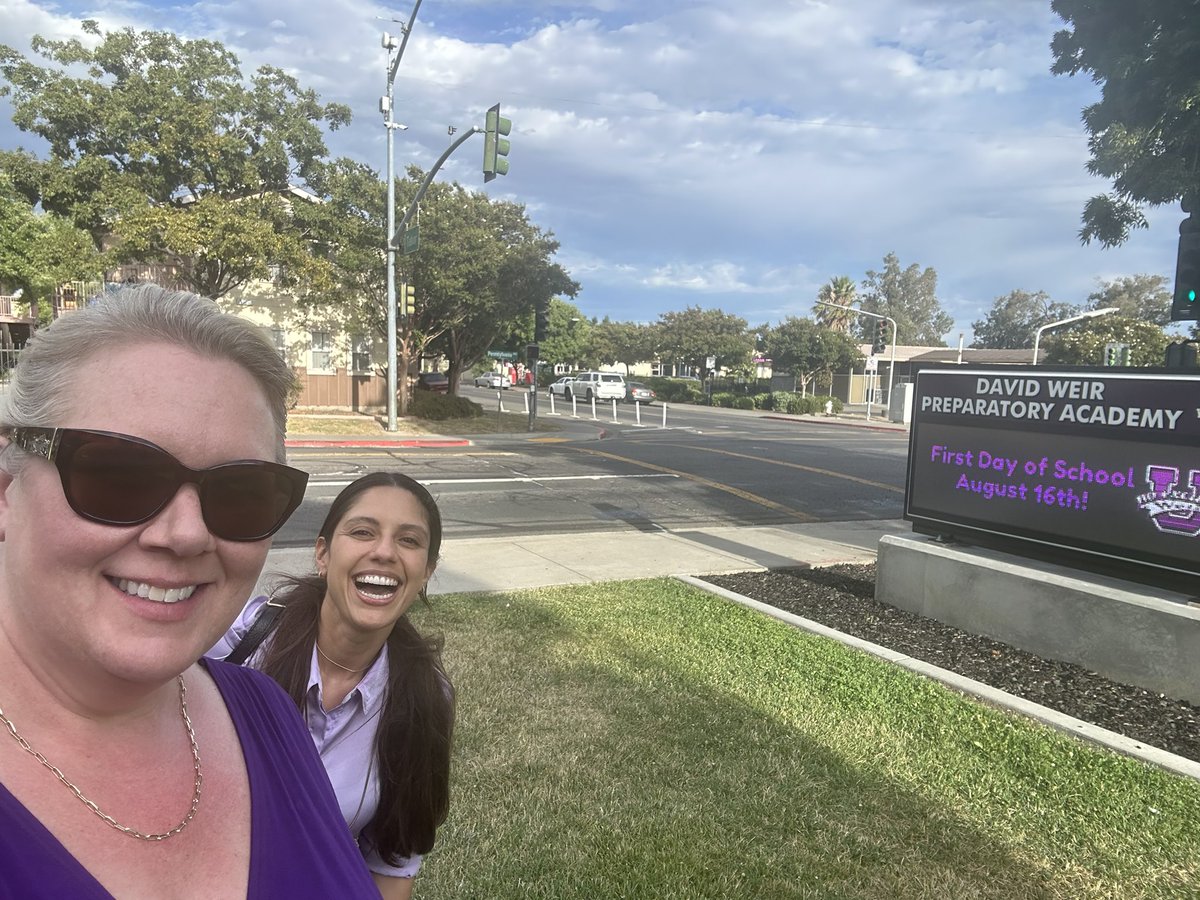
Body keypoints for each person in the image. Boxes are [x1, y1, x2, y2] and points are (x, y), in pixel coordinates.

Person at [0, 285, 380, 898]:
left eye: (242, 492)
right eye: (117, 476)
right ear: (5, 491)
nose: (185, 535)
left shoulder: (266, 714)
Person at [209, 472, 455, 900]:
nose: (384, 552)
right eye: (362, 532)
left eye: (409, 541)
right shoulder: (240, 639)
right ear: (322, 553)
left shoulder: (426, 697)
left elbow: (394, 861)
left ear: (427, 571)